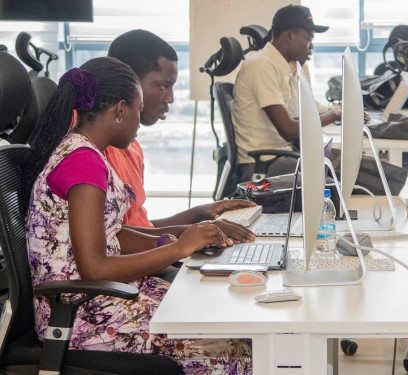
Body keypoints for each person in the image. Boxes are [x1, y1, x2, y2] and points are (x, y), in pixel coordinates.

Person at [24, 57, 251, 374]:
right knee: (234, 348)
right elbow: (94, 266)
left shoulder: (85, 151)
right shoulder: (83, 162)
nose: (138, 120)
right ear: (120, 110)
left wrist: (172, 239)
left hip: (92, 298)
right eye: (137, 108)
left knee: (213, 313)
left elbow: (111, 232)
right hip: (82, 313)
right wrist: (177, 249)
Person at [106, 29, 255, 243]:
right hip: (130, 268)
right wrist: (186, 239)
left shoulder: (131, 147)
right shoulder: (93, 149)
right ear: (129, 81)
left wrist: (201, 214)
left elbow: (140, 229)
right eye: (164, 85)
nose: (171, 98)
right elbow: (117, 241)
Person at [232, 4, 341, 182]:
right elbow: (289, 130)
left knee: (359, 168)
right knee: (331, 183)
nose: (311, 47)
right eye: (308, 40)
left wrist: (340, 110)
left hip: (284, 155)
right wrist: (334, 115)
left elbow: (304, 113)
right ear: (290, 36)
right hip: (263, 164)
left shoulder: (287, 67)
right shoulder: (261, 65)